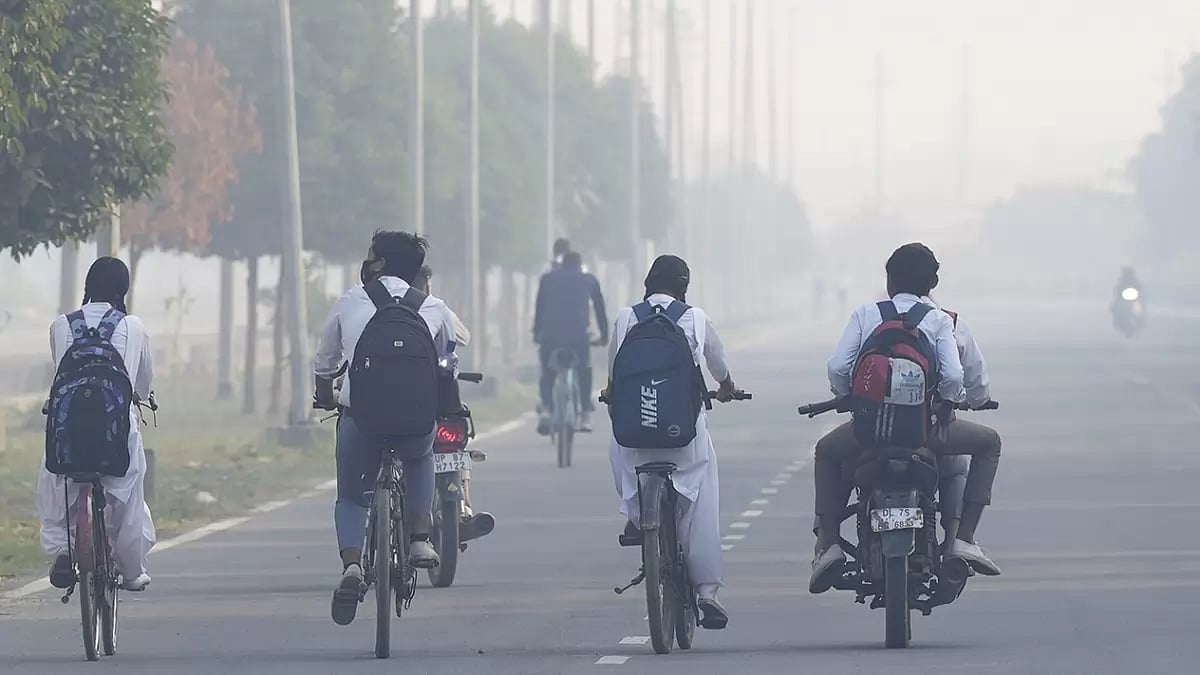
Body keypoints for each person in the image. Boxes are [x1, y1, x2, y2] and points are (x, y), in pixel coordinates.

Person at [809, 243, 1002, 594]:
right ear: (933, 282)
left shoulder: (867, 314)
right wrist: (952, 402)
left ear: (889, 280)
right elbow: (962, 380)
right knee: (989, 443)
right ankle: (963, 537)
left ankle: (828, 543)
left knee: (826, 451)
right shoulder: (944, 320)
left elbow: (838, 367)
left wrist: (848, 398)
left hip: (869, 432)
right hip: (926, 433)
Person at [313, 231, 461, 626]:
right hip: (415, 421)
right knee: (420, 456)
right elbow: (450, 357)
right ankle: (419, 541)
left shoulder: (351, 300)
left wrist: (326, 393)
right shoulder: (433, 307)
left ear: (378, 264)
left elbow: (325, 361)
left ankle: (352, 566)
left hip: (361, 419)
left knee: (351, 496)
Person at [605, 255, 739, 630]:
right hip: (685, 439)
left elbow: (614, 377)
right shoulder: (695, 317)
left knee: (618, 449)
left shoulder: (625, 318)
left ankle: (636, 515)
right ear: (684, 286)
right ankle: (708, 592)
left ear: (647, 284)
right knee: (701, 504)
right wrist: (727, 387)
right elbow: (719, 366)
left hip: (636, 438)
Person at [38, 257, 157, 592]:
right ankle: (131, 570)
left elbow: (60, 370)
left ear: (87, 286)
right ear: (124, 288)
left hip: (69, 435)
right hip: (116, 434)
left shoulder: (61, 325)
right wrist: (143, 397)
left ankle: (62, 548)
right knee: (129, 495)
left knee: (54, 481)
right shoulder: (133, 327)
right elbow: (144, 383)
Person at [411, 265, 494, 542]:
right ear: (426, 284)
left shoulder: (373, 308)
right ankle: (464, 509)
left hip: (398, 408)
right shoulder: (436, 308)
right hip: (440, 403)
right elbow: (463, 337)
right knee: (456, 442)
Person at [532, 250, 608, 433]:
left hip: (550, 336)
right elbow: (599, 309)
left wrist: (537, 332)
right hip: (578, 337)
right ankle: (585, 414)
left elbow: (540, 307)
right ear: (579, 265)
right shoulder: (589, 279)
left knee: (547, 371)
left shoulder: (547, 279)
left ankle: (547, 409)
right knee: (584, 370)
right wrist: (604, 335)